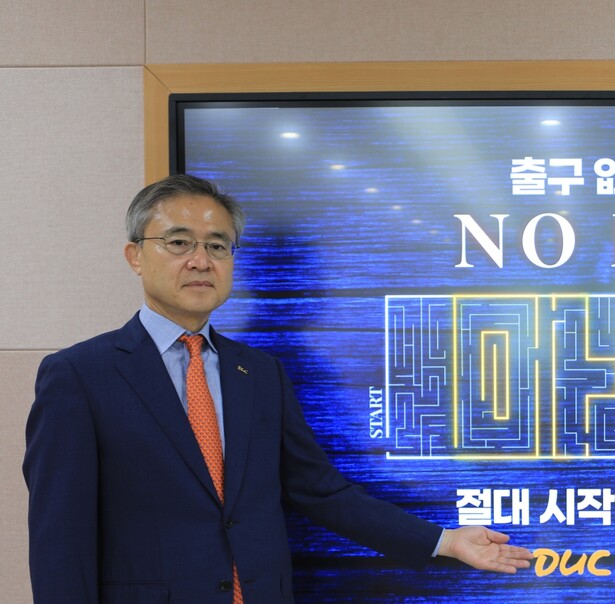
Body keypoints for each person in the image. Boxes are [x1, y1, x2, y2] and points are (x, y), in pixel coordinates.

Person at [23, 174, 532, 603]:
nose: (201, 260)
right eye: (179, 243)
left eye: (217, 246)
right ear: (135, 255)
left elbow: (321, 491)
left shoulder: (259, 372)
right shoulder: (79, 375)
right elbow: (60, 540)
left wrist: (443, 540)